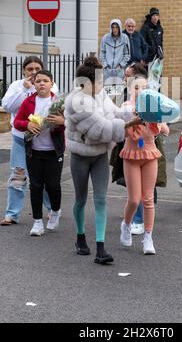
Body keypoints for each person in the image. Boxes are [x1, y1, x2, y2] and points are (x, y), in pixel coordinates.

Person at [64, 56, 140, 265]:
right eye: (99, 81)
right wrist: (130, 123)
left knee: (100, 199)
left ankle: (100, 247)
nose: (102, 84)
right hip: (81, 156)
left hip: (99, 156)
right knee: (80, 199)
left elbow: (114, 113)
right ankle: (80, 238)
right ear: (85, 83)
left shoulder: (99, 95)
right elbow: (102, 131)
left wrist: (131, 112)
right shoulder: (77, 102)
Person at [0, 56, 57, 226]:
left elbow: (56, 109)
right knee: (18, 175)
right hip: (21, 138)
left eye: (36, 68)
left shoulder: (49, 84)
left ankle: (52, 210)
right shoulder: (17, 86)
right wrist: (24, 90)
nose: (33, 72)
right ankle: (12, 214)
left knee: (44, 178)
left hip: (43, 141)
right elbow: (8, 107)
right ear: (24, 71)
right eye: (29, 69)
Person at [120, 75, 169, 255]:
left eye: (144, 87)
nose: (141, 91)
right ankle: (126, 225)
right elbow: (121, 133)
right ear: (130, 89)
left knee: (148, 199)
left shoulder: (153, 108)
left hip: (149, 154)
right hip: (131, 156)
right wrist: (133, 119)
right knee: (134, 200)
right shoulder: (126, 108)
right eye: (137, 88)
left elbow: (165, 130)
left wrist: (157, 121)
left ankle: (148, 237)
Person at [13, 70, 64, 236]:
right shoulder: (28, 102)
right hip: (33, 152)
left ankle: (55, 211)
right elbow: (17, 122)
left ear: (52, 83)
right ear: (34, 84)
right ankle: (37, 222)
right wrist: (27, 125)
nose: (42, 83)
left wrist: (62, 122)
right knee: (35, 186)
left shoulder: (58, 102)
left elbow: (70, 123)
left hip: (53, 152)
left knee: (53, 186)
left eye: (45, 81)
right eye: (38, 81)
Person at [100, 19, 130, 84]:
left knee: (119, 91)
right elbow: (102, 53)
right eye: (113, 27)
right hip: (107, 71)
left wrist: (121, 65)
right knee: (107, 91)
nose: (115, 29)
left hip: (119, 71)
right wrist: (105, 65)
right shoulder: (105, 38)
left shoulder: (125, 38)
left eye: (116, 27)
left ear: (119, 28)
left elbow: (127, 54)